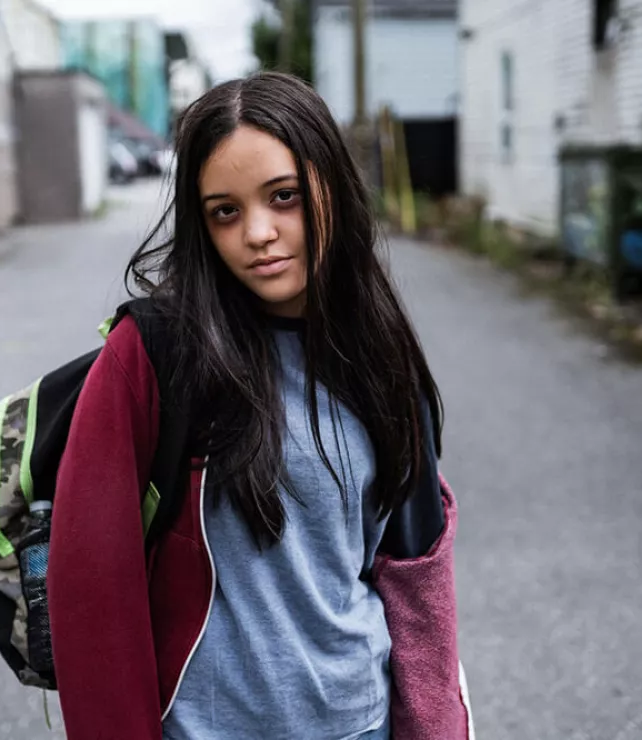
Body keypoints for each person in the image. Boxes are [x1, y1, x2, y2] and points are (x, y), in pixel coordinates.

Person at [47, 72, 472, 740]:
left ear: (332, 186)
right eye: (225, 211)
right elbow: (92, 588)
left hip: (359, 723)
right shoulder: (156, 353)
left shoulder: (382, 357)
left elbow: (416, 582)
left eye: (284, 198)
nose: (258, 233)